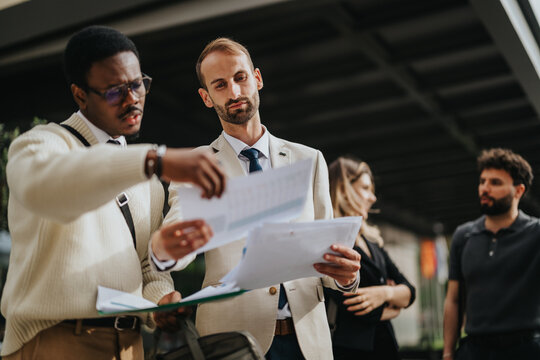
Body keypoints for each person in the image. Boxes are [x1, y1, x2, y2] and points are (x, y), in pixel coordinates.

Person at [1, 26, 225, 359]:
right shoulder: (41, 145)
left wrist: (159, 303)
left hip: (129, 345)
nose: (132, 99)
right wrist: (154, 160)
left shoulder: (146, 181)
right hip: (55, 341)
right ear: (80, 96)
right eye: (114, 91)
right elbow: (47, 188)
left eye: (137, 84)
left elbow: (146, 267)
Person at [149, 37, 361, 359]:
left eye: (240, 78)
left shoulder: (310, 159)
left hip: (309, 341)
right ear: (206, 98)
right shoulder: (195, 165)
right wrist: (164, 251)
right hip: (233, 342)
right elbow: (179, 240)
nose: (234, 92)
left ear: (257, 78)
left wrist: (346, 277)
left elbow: (329, 255)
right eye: (220, 85)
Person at [442, 148, 540, 360]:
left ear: (518, 191)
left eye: (495, 183)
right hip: (474, 351)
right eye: (482, 181)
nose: (485, 188)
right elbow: (453, 300)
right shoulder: (463, 235)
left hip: (526, 350)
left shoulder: (536, 232)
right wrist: (448, 353)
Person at [324, 157, 415, 360]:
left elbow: (410, 290)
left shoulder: (372, 241)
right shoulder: (331, 242)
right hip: (351, 353)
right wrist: (394, 301)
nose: (372, 197)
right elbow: (357, 310)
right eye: (365, 188)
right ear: (343, 190)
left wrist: (383, 293)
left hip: (386, 348)